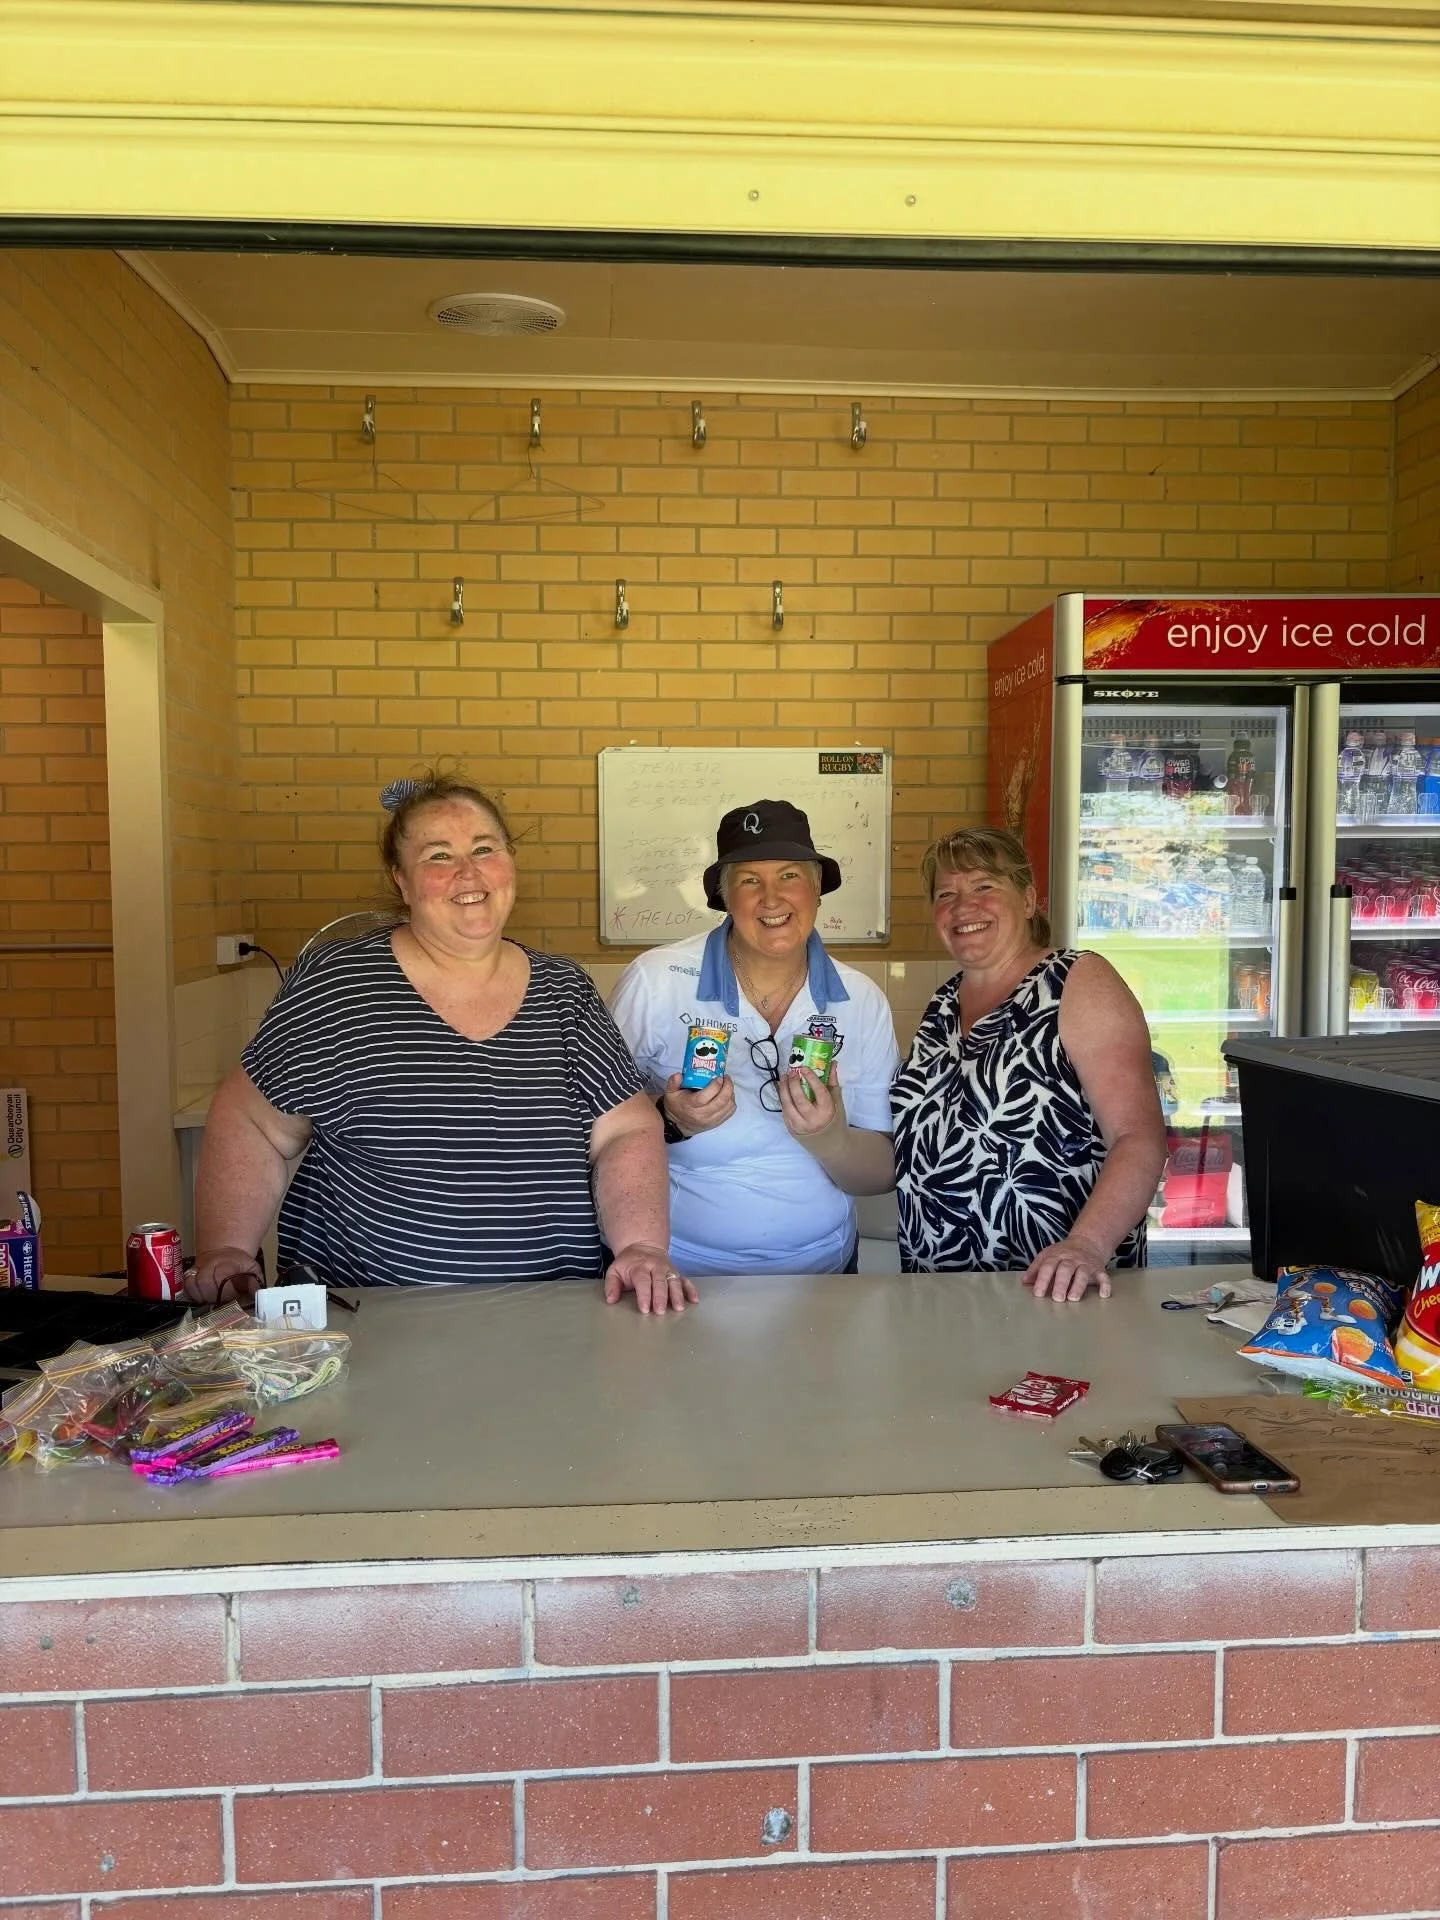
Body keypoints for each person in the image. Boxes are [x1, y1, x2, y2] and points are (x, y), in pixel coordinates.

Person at [189, 771, 693, 1314]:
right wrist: (227, 1248)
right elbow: (254, 1122)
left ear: (510, 862)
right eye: (438, 856)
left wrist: (641, 1245)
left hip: (553, 1316)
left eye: (485, 848)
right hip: (371, 1320)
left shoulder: (563, 989)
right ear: (401, 881)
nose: (468, 872)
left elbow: (624, 1129)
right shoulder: (339, 984)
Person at [609, 799, 900, 1278]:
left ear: (817, 890)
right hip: (675, 1273)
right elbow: (593, 1130)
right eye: (749, 880)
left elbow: (881, 1174)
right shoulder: (655, 980)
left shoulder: (861, 999)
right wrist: (671, 1119)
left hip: (824, 1278)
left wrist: (831, 1140)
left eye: (789, 876)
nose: (771, 898)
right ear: (725, 897)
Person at [891, 826, 1166, 1302]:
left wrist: (1086, 1245)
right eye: (945, 894)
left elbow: (1138, 1137)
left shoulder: (1077, 981)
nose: (963, 907)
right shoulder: (941, 1005)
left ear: (1027, 900)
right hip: (938, 1295)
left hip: (1057, 1293)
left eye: (984, 886)